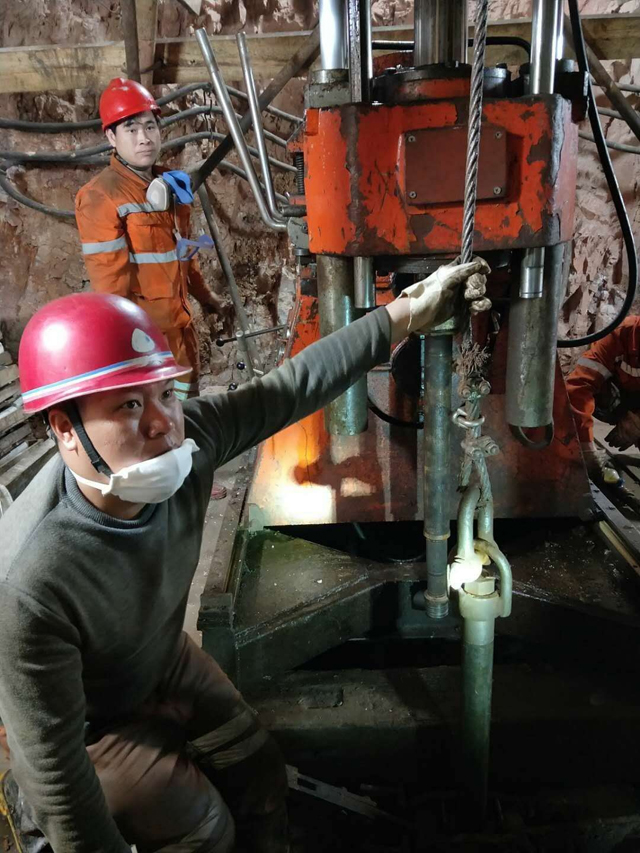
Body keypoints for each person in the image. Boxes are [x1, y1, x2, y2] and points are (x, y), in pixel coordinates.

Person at [0, 259, 488, 853]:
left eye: (165, 394)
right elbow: (57, 777)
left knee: (258, 770)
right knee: (205, 829)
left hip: (158, 657)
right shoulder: (30, 582)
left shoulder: (191, 440)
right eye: (128, 406)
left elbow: (288, 389)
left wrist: (405, 313)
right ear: (64, 427)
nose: (164, 425)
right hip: (89, 728)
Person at [75, 77, 224, 403]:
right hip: (145, 344)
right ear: (111, 137)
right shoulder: (101, 197)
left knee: (188, 415)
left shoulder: (170, 183)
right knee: (156, 419)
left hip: (181, 334)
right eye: (131, 129)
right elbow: (111, 287)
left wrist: (206, 297)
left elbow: (184, 254)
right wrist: (127, 347)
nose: (144, 138)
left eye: (150, 126)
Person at [566, 316, 640, 485]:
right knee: (596, 395)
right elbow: (578, 387)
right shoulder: (621, 335)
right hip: (624, 398)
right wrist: (586, 446)